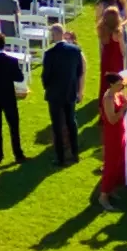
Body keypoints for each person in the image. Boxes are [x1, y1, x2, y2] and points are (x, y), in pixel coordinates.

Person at [42, 24, 86, 166]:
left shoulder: (49, 53)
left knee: (57, 125)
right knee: (71, 122)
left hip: (55, 94)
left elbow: (45, 76)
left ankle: (60, 157)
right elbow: (79, 72)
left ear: (55, 35)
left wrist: (48, 87)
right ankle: (75, 154)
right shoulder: (75, 50)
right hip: (70, 91)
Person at [97, 72, 127, 212]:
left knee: (119, 162)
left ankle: (111, 189)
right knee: (111, 165)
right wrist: (122, 109)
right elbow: (111, 119)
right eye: (118, 84)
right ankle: (103, 196)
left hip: (120, 132)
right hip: (112, 135)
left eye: (122, 84)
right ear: (111, 84)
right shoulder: (108, 98)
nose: (121, 86)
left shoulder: (117, 93)